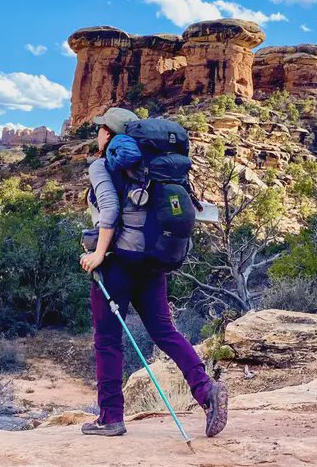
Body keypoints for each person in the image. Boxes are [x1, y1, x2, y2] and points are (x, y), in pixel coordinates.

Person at [78, 107, 229, 438]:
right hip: (153, 262)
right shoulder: (157, 169)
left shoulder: (102, 166)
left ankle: (110, 418)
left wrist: (98, 254)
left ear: (110, 135)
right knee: (165, 332)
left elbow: (111, 210)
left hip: (116, 263)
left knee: (107, 340)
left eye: (101, 128)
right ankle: (206, 392)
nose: (98, 133)